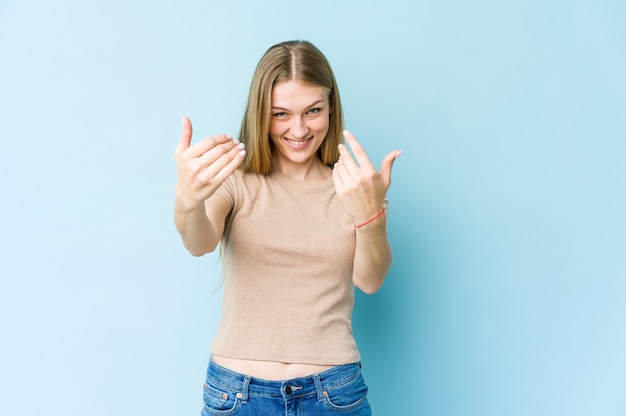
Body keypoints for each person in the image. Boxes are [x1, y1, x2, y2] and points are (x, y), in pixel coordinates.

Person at [173, 40, 401, 416]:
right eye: (280, 114)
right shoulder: (236, 179)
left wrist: (370, 214)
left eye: (312, 110)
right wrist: (187, 200)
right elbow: (199, 242)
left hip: (334, 393)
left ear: (331, 107)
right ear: (260, 113)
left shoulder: (354, 184)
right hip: (238, 395)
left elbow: (371, 280)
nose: (298, 129)